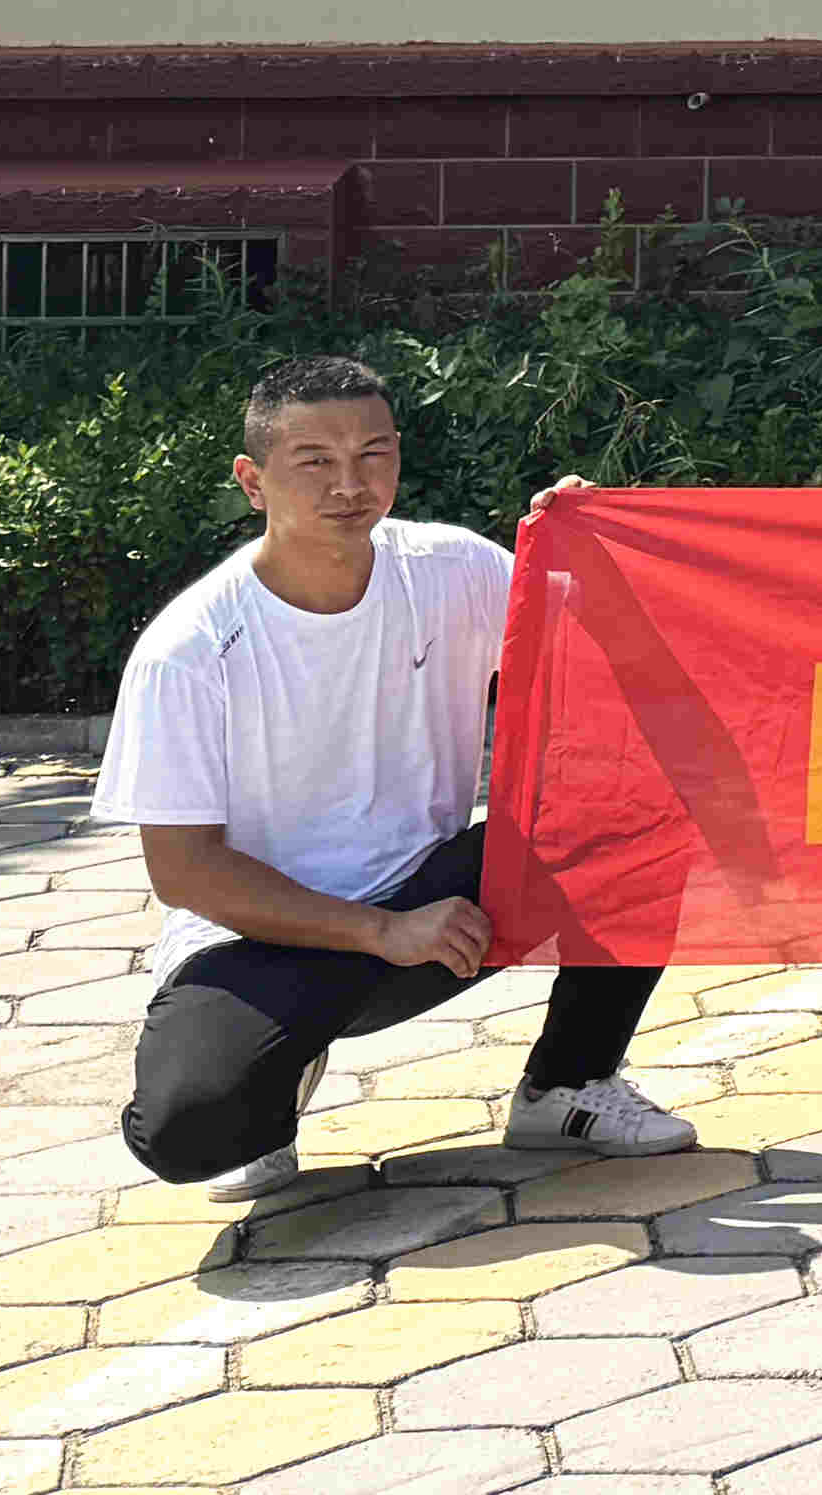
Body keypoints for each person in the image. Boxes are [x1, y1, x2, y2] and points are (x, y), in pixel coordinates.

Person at [96, 359, 694, 1199]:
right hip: (262, 937)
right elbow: (186, 871)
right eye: (315, 460)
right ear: (252, 480)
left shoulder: (452, 568)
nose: (349, 484)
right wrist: (382, 930)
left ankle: (569, 1083)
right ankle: (275, 1087)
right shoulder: (190, 648)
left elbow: (608, 655)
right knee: (188, 1131)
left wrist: (584, 550)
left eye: (371, 453)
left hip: (436, 892)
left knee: (646, 809)